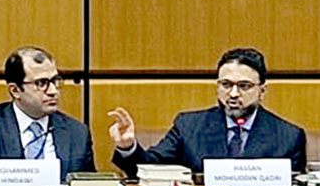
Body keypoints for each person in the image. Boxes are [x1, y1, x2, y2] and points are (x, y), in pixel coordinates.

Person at [108, 48, 306, 177]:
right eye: (226, 85)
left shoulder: (288, 136)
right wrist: (128, 146)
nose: (234, 94)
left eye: (244, 86)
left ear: (262, 90)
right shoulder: (189, 126)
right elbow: (148, 170)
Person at [0, 46, 95, 179]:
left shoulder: (77, 132)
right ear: (15, 90)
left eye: (55, 81)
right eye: (41, 83)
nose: (53, 91)